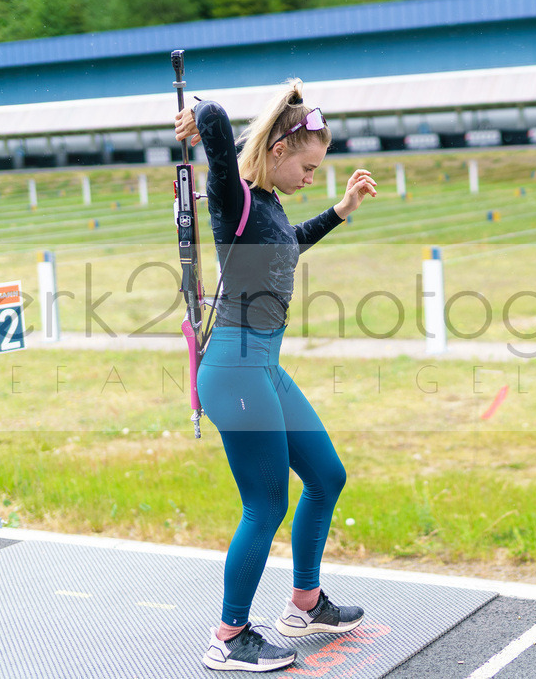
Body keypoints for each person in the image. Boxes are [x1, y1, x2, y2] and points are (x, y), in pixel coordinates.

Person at [174, 79, 377, 673]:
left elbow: (289, 244)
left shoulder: (267, 208)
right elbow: (212, 121)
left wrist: (340, 211)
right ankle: (230, 636)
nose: (313, 175)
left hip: (261, 365)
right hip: (235, 370)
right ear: (280, 150)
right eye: (310, 166)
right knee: (266, 503)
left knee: (327, 476)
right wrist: (198, 111)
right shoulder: (233, 195)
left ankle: (305, 603)